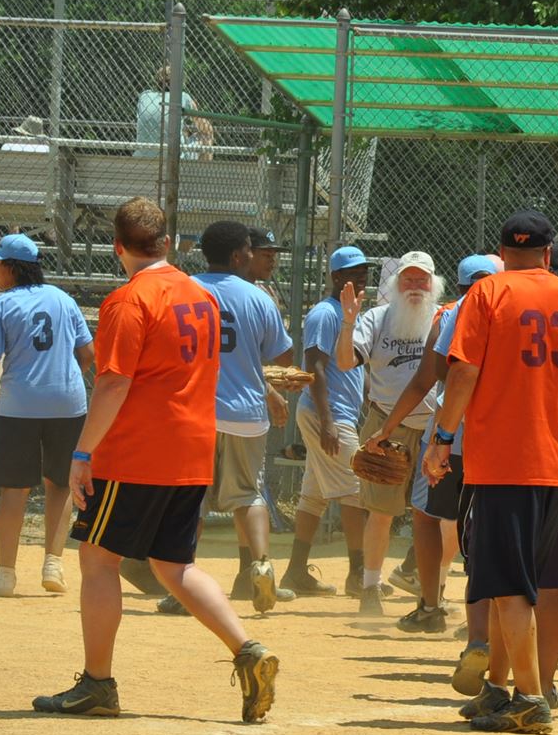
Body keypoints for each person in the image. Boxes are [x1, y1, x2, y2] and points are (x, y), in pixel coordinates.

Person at [33, 197, 279, 723]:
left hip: (138, 453)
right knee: (175, 565)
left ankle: (97, 684)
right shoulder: (200, 294)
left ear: (118, 247)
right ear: (167, 242)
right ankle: (248, 649)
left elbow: (114, 381)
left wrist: (83, 452)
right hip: (193, 449)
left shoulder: (129, 299)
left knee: (98, 558)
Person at [421, 210, 558, 734]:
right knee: (517, 580)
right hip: (554, 464)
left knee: (508, 587)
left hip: (501, 463)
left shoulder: (486, 295)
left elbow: (463, 370)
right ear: (548, 252)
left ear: (501, 252)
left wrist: (443, 438)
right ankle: (496, 688)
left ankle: (530, 699)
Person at [368, 253, 498, 641]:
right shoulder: (510, 313)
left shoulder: (449, 315)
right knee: (485, 527)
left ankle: (429, 607)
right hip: (492, 442)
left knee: (426, 517)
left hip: (446, 439)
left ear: (457, 286)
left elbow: (425, 379)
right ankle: (484, 614)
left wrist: (386, 428)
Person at [0, 234, 95, 597]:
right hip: (68, 403)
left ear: (13, 268)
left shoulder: (2, 305)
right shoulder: (63, 298)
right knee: (60, 484)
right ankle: (53, 564)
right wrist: (65, 378)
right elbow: (87, 353)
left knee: (15, 488)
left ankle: (6, 574)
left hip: (21, 405)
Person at [186, 222, 298, 615]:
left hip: (193, 412)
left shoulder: (183, 291)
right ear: (237, 256)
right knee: (248, 494)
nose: (253, 255)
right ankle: (261, 564)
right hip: (246, 413)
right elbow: (282, 357)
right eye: (250, 249)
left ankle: (184, 581)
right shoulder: (257, 297)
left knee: (190, 497)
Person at [341, 250, 442, 615]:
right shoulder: (377, 318)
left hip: (435, 429)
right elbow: (343, 361)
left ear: (433, 283)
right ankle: (370, 589)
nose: (415, 286)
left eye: (422, 279)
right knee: (381, 512)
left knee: (438, 516)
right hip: (387, 426)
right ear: (396, 284)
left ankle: (433, 595)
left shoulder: (442, 319)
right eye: (408, 279)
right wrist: (348, 323)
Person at [281, 245, 371, 600]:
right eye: (353, 272)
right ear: (336, 278)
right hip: (327, 412)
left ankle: (296, 572)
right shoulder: (325, 313)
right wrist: (328, 420)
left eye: (364, 271)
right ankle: (359, 575)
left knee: (314, 495)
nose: (361, 277)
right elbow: (314, 367)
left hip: (337, 412)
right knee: (355, 491)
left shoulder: (353, 313)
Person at [134, 65, 217, 162]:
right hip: (174, 159)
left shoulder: (145, 96)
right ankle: (204, 172)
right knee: (207, 134)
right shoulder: (183, 97)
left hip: (141, 157)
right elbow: (205, 127)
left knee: (180, 131)